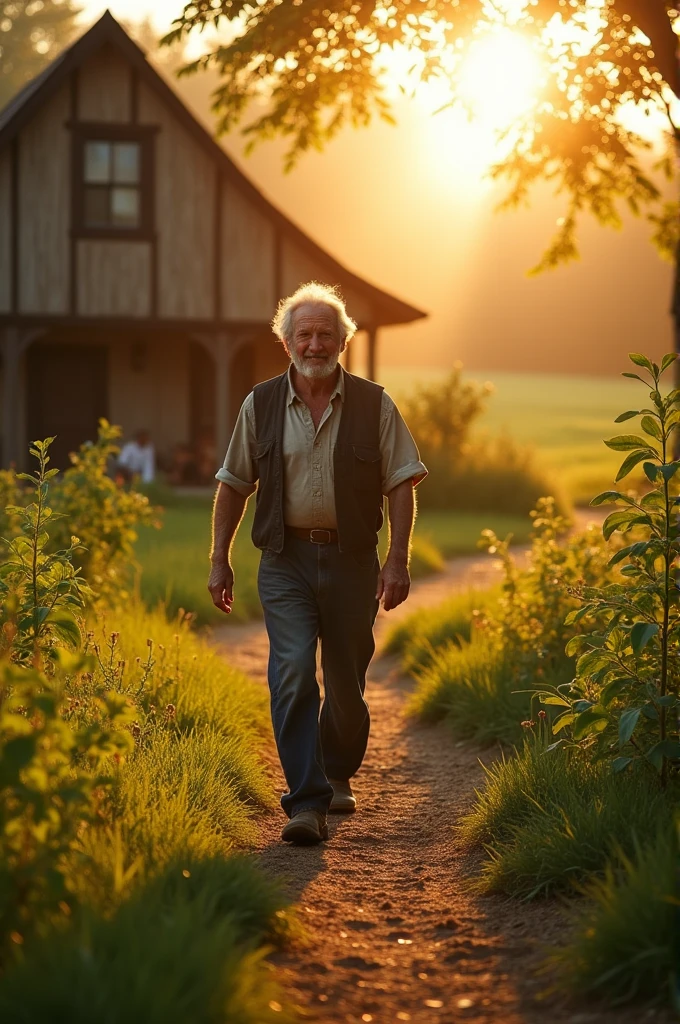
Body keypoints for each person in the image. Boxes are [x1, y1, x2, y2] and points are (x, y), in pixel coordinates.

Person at [208, 282, 427, 846]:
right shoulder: (259, 405)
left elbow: (402, 482)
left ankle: (336, 771)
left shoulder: (375, 404)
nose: (314, 344)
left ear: (342, 341)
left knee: (348, 686)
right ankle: (306, 803)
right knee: (292, 672)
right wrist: (219, 560)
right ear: (286, 343)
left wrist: (396, 559)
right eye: (303, 334)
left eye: (324, 333)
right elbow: (234, 485)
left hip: (353, 560)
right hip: (285, 561)